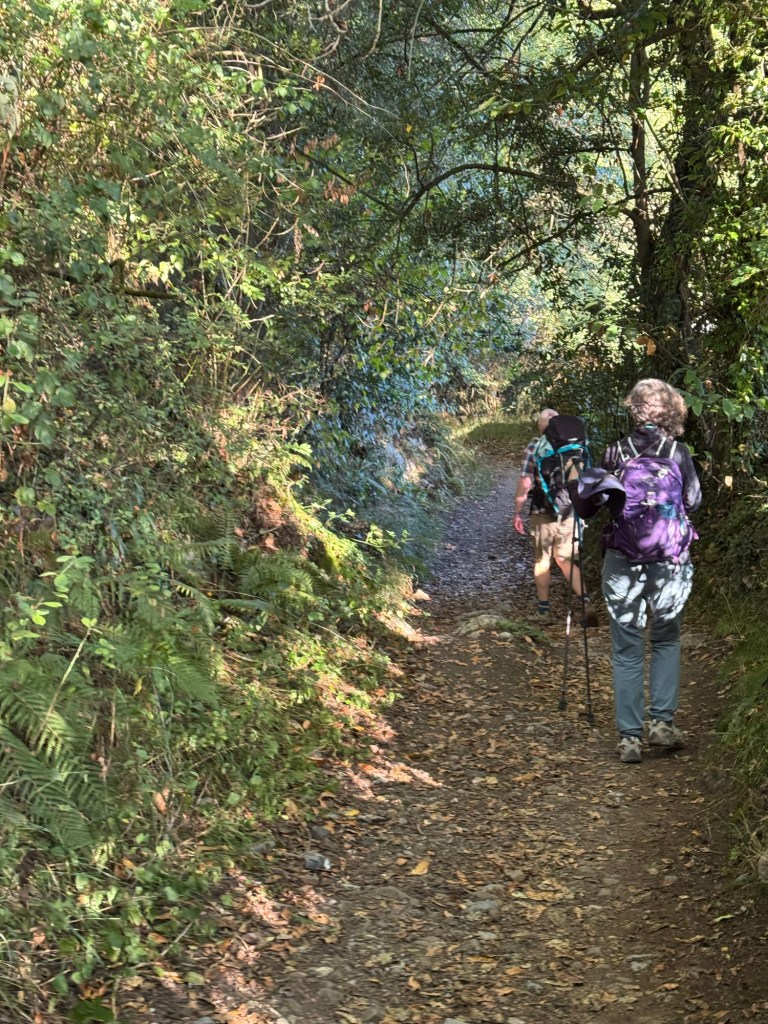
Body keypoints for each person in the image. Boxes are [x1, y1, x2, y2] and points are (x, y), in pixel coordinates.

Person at [601, 379, 701, 764]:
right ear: (671, 410)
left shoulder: (615, 452)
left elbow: (600, 502)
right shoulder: (679, 452)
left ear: (634, 409)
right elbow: (693, 500)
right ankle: (661, 723)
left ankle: (629, 739)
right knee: (665, 640)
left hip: (622, 560)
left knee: (627, 650)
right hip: (670, 562)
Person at [513, 408, 598, 627]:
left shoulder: (535, 446)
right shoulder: (578, 445)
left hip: (543, 510)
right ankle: (586, 603)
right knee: (565, 559)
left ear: (541, 426)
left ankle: (544, 611)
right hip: (572, 509)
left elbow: (525, 481)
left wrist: (517, 511)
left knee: (543, 560)